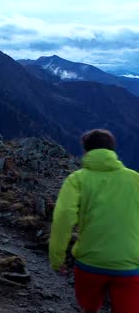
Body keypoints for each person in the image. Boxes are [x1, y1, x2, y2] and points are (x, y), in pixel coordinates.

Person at [50, 129, 139, 312]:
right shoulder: (135, 179)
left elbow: (63, 218)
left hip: (89, 264)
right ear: (112, 150)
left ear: (86, 151)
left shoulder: (77, 179)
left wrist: (57, 259)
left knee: (89, 309)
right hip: (129, 266)